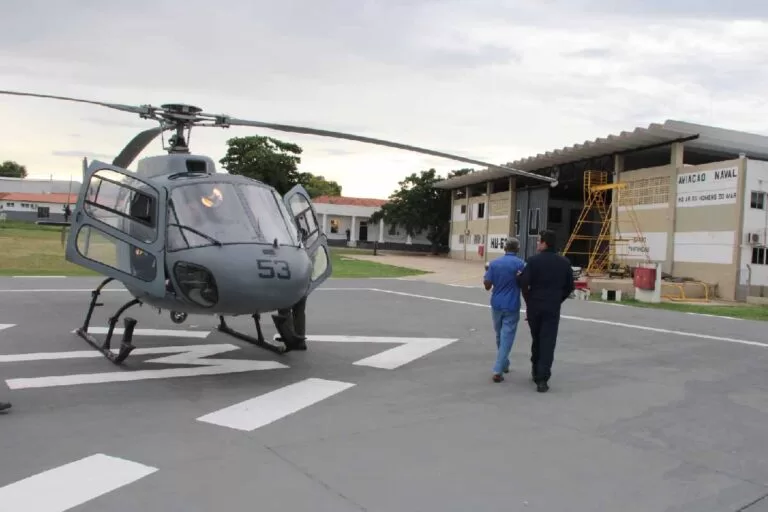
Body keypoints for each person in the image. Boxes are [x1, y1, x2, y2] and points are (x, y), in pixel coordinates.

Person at [517, 229, 575, 393]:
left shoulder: (533, 261)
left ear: (544, 243)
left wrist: (527, 297)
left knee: (537, 339)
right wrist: (558, 299)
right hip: (552, 307)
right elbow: (570, 286)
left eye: (538, 241)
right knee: (548, 341)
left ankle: (536, 369)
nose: (537, 244)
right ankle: (542, 379)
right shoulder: (564, 262)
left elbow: (524, 282)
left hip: (535, 306)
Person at [483, 237, 526, 383]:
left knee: (499, 335)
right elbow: (525, 283)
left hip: (496, 303)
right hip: (512, 304)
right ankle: (498, 369)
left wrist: (487, 273)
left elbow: (487, 285)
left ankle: (504, 363)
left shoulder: (494, 264)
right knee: (507, 336)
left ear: (504, 248)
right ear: (517, 249)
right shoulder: (521, 264)